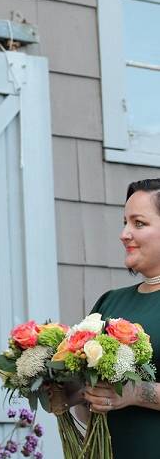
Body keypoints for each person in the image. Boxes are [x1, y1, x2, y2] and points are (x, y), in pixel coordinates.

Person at [71, 179, 160, 457]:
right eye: (124, 222)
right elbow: (89, 409)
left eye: (139, 223)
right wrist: (70, 393)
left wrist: (136, 392)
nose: (124, 234)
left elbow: (127, 393)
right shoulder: (110, 301)